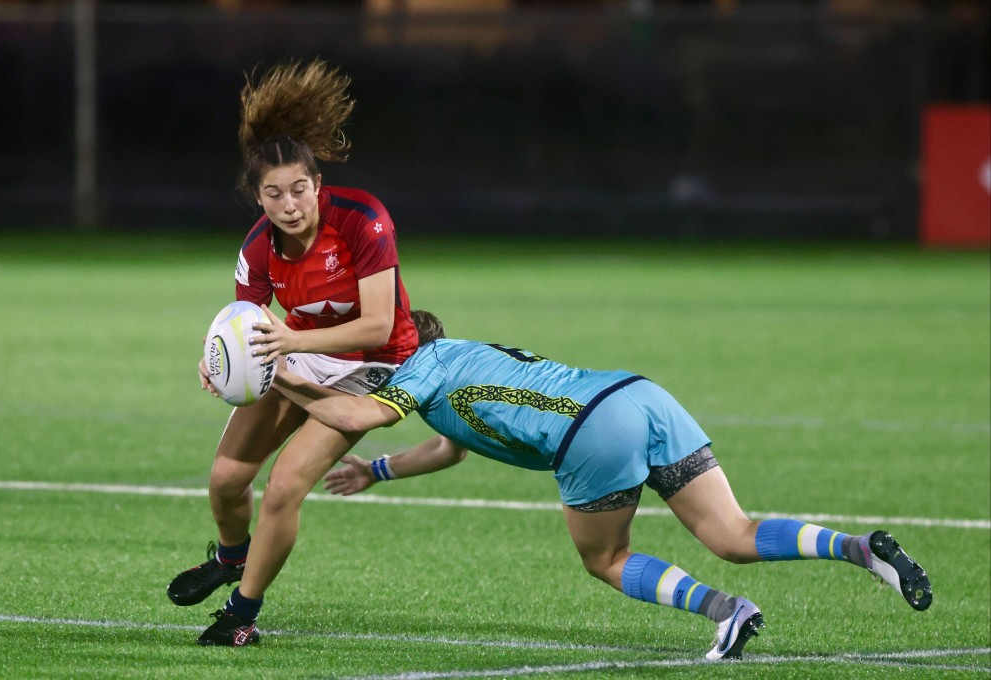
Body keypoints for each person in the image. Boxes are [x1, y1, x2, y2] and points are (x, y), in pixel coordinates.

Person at [268, 310, 932, 661]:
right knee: (733, 534)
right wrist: (376, 470)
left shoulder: (423, 364)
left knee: (604, 558)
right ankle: (861, 550)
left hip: (591, 431)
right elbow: (450, 447)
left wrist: (283, 375)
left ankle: (726, 612)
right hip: (641, 395)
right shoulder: (462, 364)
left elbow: (355, 412)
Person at [166, 59, 421, 647]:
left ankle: (241, 613)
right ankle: (233, 558)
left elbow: (378, 322)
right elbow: (243, 325)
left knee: (283, 487)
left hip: (376, 365)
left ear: (317, 185)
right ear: (258, 197)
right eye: (274, 193)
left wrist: (290, 342)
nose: (290, 204)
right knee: (227, 478)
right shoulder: (257, 249)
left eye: (300, 189)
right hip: (299, 351)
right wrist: (218, 361)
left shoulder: (363, 220)